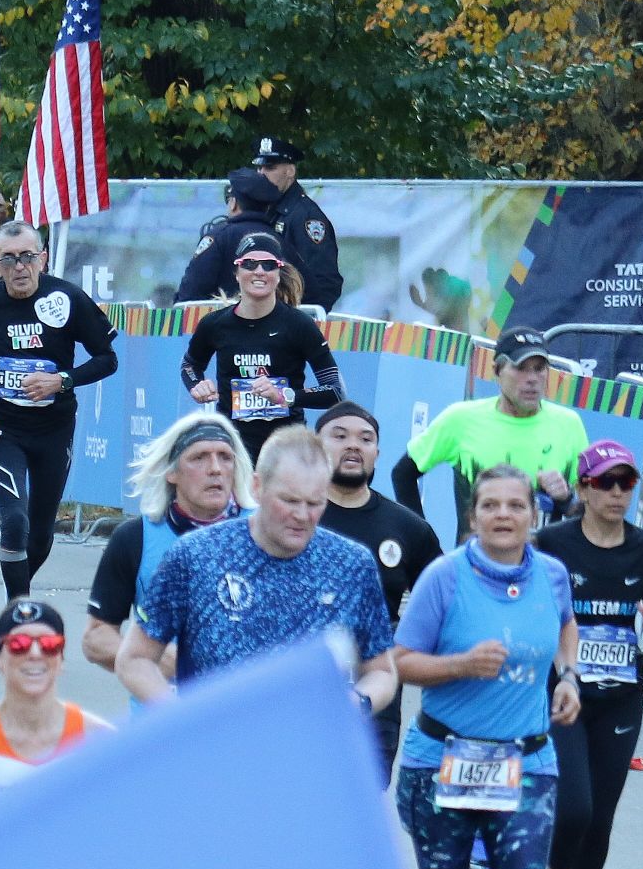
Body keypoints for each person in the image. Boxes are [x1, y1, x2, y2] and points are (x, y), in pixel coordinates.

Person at [389, 464, 577, 869]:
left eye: (515, 506)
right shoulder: (445, 578)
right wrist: (462, 665)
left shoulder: (551, 573)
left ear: (533, 514)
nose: (503, 515)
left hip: (526, 764)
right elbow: (403, 663)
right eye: (490, 505)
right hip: (442, 760)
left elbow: (566, 627)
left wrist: (570, 678)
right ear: (473, 516)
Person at [120, 426, 401, 717]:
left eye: (315, 503)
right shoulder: (197, 556)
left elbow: (382, 671)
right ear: (258, 486)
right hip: (218, 752)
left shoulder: (352, 565)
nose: (302, 516)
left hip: (310, 753)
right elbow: (134, 659)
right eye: (289, 501)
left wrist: (358, 702)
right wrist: (185, 720)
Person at [0, 218, 120, 600]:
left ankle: (19, 593)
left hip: (54, 428)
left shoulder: (66, 298)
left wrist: (62, 380)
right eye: (9, 259)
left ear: (43, 260)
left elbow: (106, 358)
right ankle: (18, 610)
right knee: (14, 520)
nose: (19, 267)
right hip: (2, 429)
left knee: (40, 531)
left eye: (28, 257)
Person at [535, 440, 643, 869]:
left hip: (621, 699)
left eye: (626, 483)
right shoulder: (552, 543)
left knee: (602, 819)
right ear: (583, 488)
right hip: (565, 694)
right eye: (605, 482)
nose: (616, 493)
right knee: (575, 811)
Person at [317, 400, 444, 766]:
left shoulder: (408, 528)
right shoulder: (290, 515)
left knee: (359, 805)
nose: (353, 445)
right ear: (315, 446)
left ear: (377, 453)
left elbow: (441, 604)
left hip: (374, 689)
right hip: (300, 684)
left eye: (365, 438)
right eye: (339, 436)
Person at [84, 412, 248, 675]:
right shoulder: (135, 537)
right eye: (199, 457)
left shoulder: (264, 531)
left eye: (225, 457)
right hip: (162, 705)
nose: (216, 468)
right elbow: (96, 639)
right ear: (171, 472)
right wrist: (154, 658)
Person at [393, 328, 592, 537]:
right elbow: (402, 474)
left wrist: (567, 499)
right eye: (521, 368)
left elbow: (590, 512)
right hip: (474, 565)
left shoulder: (569, 424)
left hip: (541, 566)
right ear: (497, 370)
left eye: (539, 368)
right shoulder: (461, 419)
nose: (532, 379)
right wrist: (423, 543)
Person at [178, 228, 343, 460]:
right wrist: (197, 385)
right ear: (236, 272)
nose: (259, 271)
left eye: (268, 264)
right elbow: (190, 365)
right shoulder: (214, 324)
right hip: (232, 448)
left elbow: (335, 391)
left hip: (286, 450)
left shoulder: (299, 325)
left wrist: (284, 395)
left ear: (278, 272)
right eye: (249, 264)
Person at [0, 599, 109, 815]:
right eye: (19, 644)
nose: (35, 653)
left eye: (49, 644)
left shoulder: (100, 740)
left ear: (61, 659)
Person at [249, 135, 344, 311]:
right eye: (259, 168)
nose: (261, 173)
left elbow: (326, 282)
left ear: (290, 171)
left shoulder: (305, 216)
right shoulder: (269, 209)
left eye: (270, 167)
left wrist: (303, 319)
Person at [177, 166, 292, 304]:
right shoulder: (281, 240)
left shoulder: (218, 237)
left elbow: (190, 292)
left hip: (222, 322)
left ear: (233, 203)